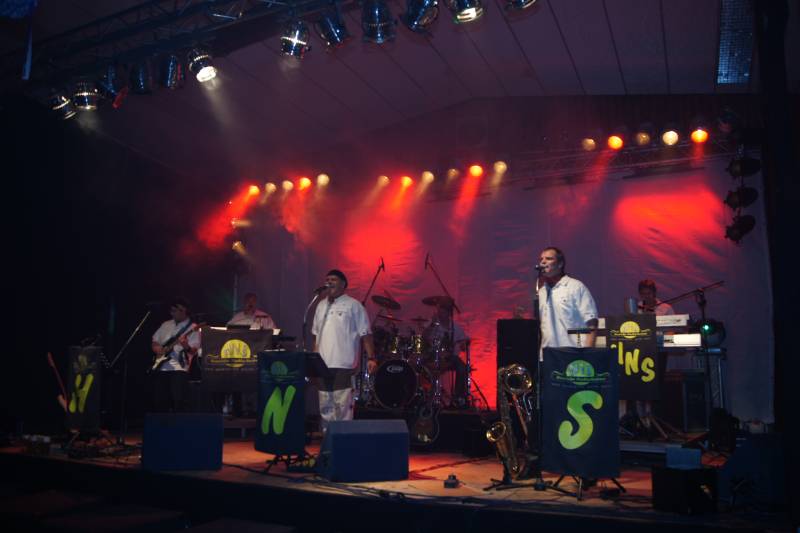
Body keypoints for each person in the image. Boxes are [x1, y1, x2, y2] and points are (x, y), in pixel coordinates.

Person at [311, 269, 375, 432]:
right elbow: (316, 336)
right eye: (327, 279)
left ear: (343, 284)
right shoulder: (320, 305)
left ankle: (343, 440)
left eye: (333, 279)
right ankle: (328, 441)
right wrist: (314, 363)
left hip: (344, 364)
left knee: (342, 405)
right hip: (323, 365)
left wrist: (371, 358)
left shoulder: (354, 305)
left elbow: (366, 334)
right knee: (325, 404)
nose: (329, 282)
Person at [535, 246, 599, 353]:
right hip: (547, 355)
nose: (543, 262)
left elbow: (591, 322)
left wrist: (587, 354)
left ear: (560, 264)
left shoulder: (575, 287)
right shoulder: (541, 292)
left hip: (572, 355)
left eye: (549, 258)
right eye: (541, 259)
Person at [151, 298, 201, 412]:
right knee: (160, 400)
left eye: (174, 310)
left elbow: (193, 351)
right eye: (171, 310)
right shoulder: (166, 324)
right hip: (161, 367)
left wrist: (186, 345)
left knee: (178, 400)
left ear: (183, 310)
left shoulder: (193, 328)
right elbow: (155, 341)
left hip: (179, 368)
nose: (171, 313)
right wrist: (157, 348)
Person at [423, 301, 470, 407]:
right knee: (424, 367)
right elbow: (424, 336)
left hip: (449, 357)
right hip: (433, 355)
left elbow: (464, 340)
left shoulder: (455, 327)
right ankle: (429, 397)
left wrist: (463, 344)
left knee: (462, 368)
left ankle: (458, 398)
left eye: (442, 311)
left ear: (448, 313)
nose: (440, 313)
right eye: (439, 311)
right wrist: (432, 325)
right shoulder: (432, 323)